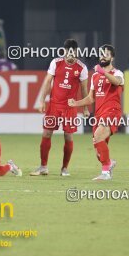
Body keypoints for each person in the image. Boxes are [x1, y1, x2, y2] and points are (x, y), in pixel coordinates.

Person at [30, 39, 89, 177]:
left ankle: (64, 168)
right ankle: (43, 167)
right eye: (68, 53)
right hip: (54, 105)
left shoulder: (82, 68)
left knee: (68, 136)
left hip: (70, 107)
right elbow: (47, 81)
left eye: (73, 53)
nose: (71, 56)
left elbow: (84, 89)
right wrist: (41, 101)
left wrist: (85, 108)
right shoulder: (55, 63)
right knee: (46, 133)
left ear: (76, 52)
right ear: (64, 52)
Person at [68, 44, 123, 181]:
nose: (103, 57)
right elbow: (91, 98)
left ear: (112, 57)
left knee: (98, 136)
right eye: (101, 54)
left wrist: (104, 72)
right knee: (98, 151)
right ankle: (109, 163)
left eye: (106, 54)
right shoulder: (95, 77)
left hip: (112, 111)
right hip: (98, 114)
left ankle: (106, 173)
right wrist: (76, 103)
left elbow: (117, 82)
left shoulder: (117, 73)